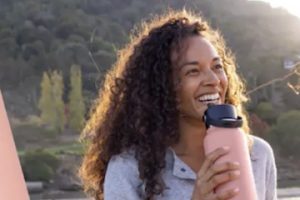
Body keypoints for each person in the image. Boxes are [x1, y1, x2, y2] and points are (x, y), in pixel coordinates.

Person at [79, 10, 277, 200]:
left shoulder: (258, 155)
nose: (213, 80)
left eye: (217, 67)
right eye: (193, 71)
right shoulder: (128, 169)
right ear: (162, 85)